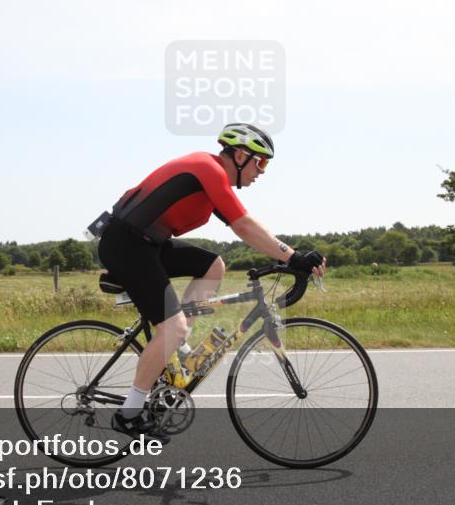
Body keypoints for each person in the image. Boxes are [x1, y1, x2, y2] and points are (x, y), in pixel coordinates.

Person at [96, 123, 326, 441]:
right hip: (127, 244)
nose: (262, 172)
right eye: (261, 162)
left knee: (213, 266)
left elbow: (248, 225)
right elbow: (243, 226)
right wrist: (293, 256)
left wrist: (286, 254)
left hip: (149, 243)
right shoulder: (208, 169)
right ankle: (129, 413)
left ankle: (177, 351)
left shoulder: (214, 180)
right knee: (172, 326)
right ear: (242, 155)